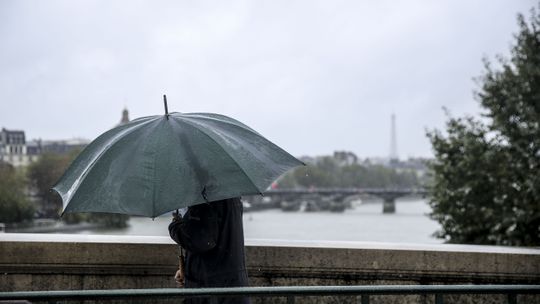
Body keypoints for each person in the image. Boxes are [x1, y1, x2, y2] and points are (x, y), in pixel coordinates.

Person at [168, 197, 251, 304]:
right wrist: (188, 269)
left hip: (211, 289)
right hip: (231, 285)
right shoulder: (230, 196)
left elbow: (201, 241)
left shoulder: (205, 199)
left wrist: (174, 226)